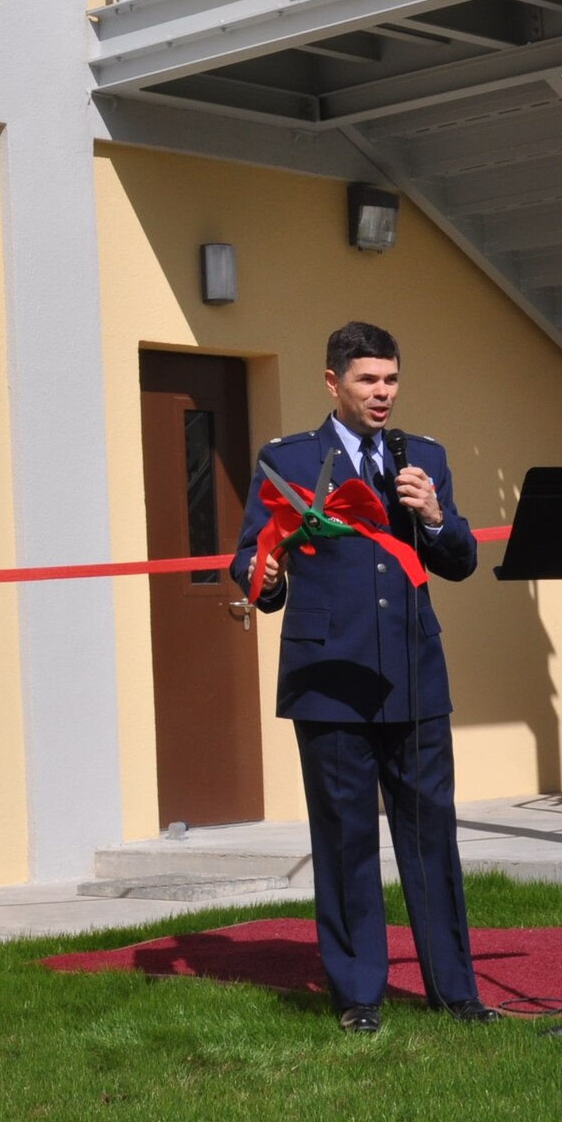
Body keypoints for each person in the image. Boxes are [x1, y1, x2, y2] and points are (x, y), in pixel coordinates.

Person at [230, 321, 495, 1034]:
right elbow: (251, 562)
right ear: (332, 383)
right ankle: (358, 998)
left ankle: (455, 992)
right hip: (331, 679)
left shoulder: (424, 458)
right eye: (367, 380)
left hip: (413, 676)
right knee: (345, 838)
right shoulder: (289, 462)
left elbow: (461, 559)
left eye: (391, 380)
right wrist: (270, 578)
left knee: (431, 837)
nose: (382, 394)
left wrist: (435, 516)